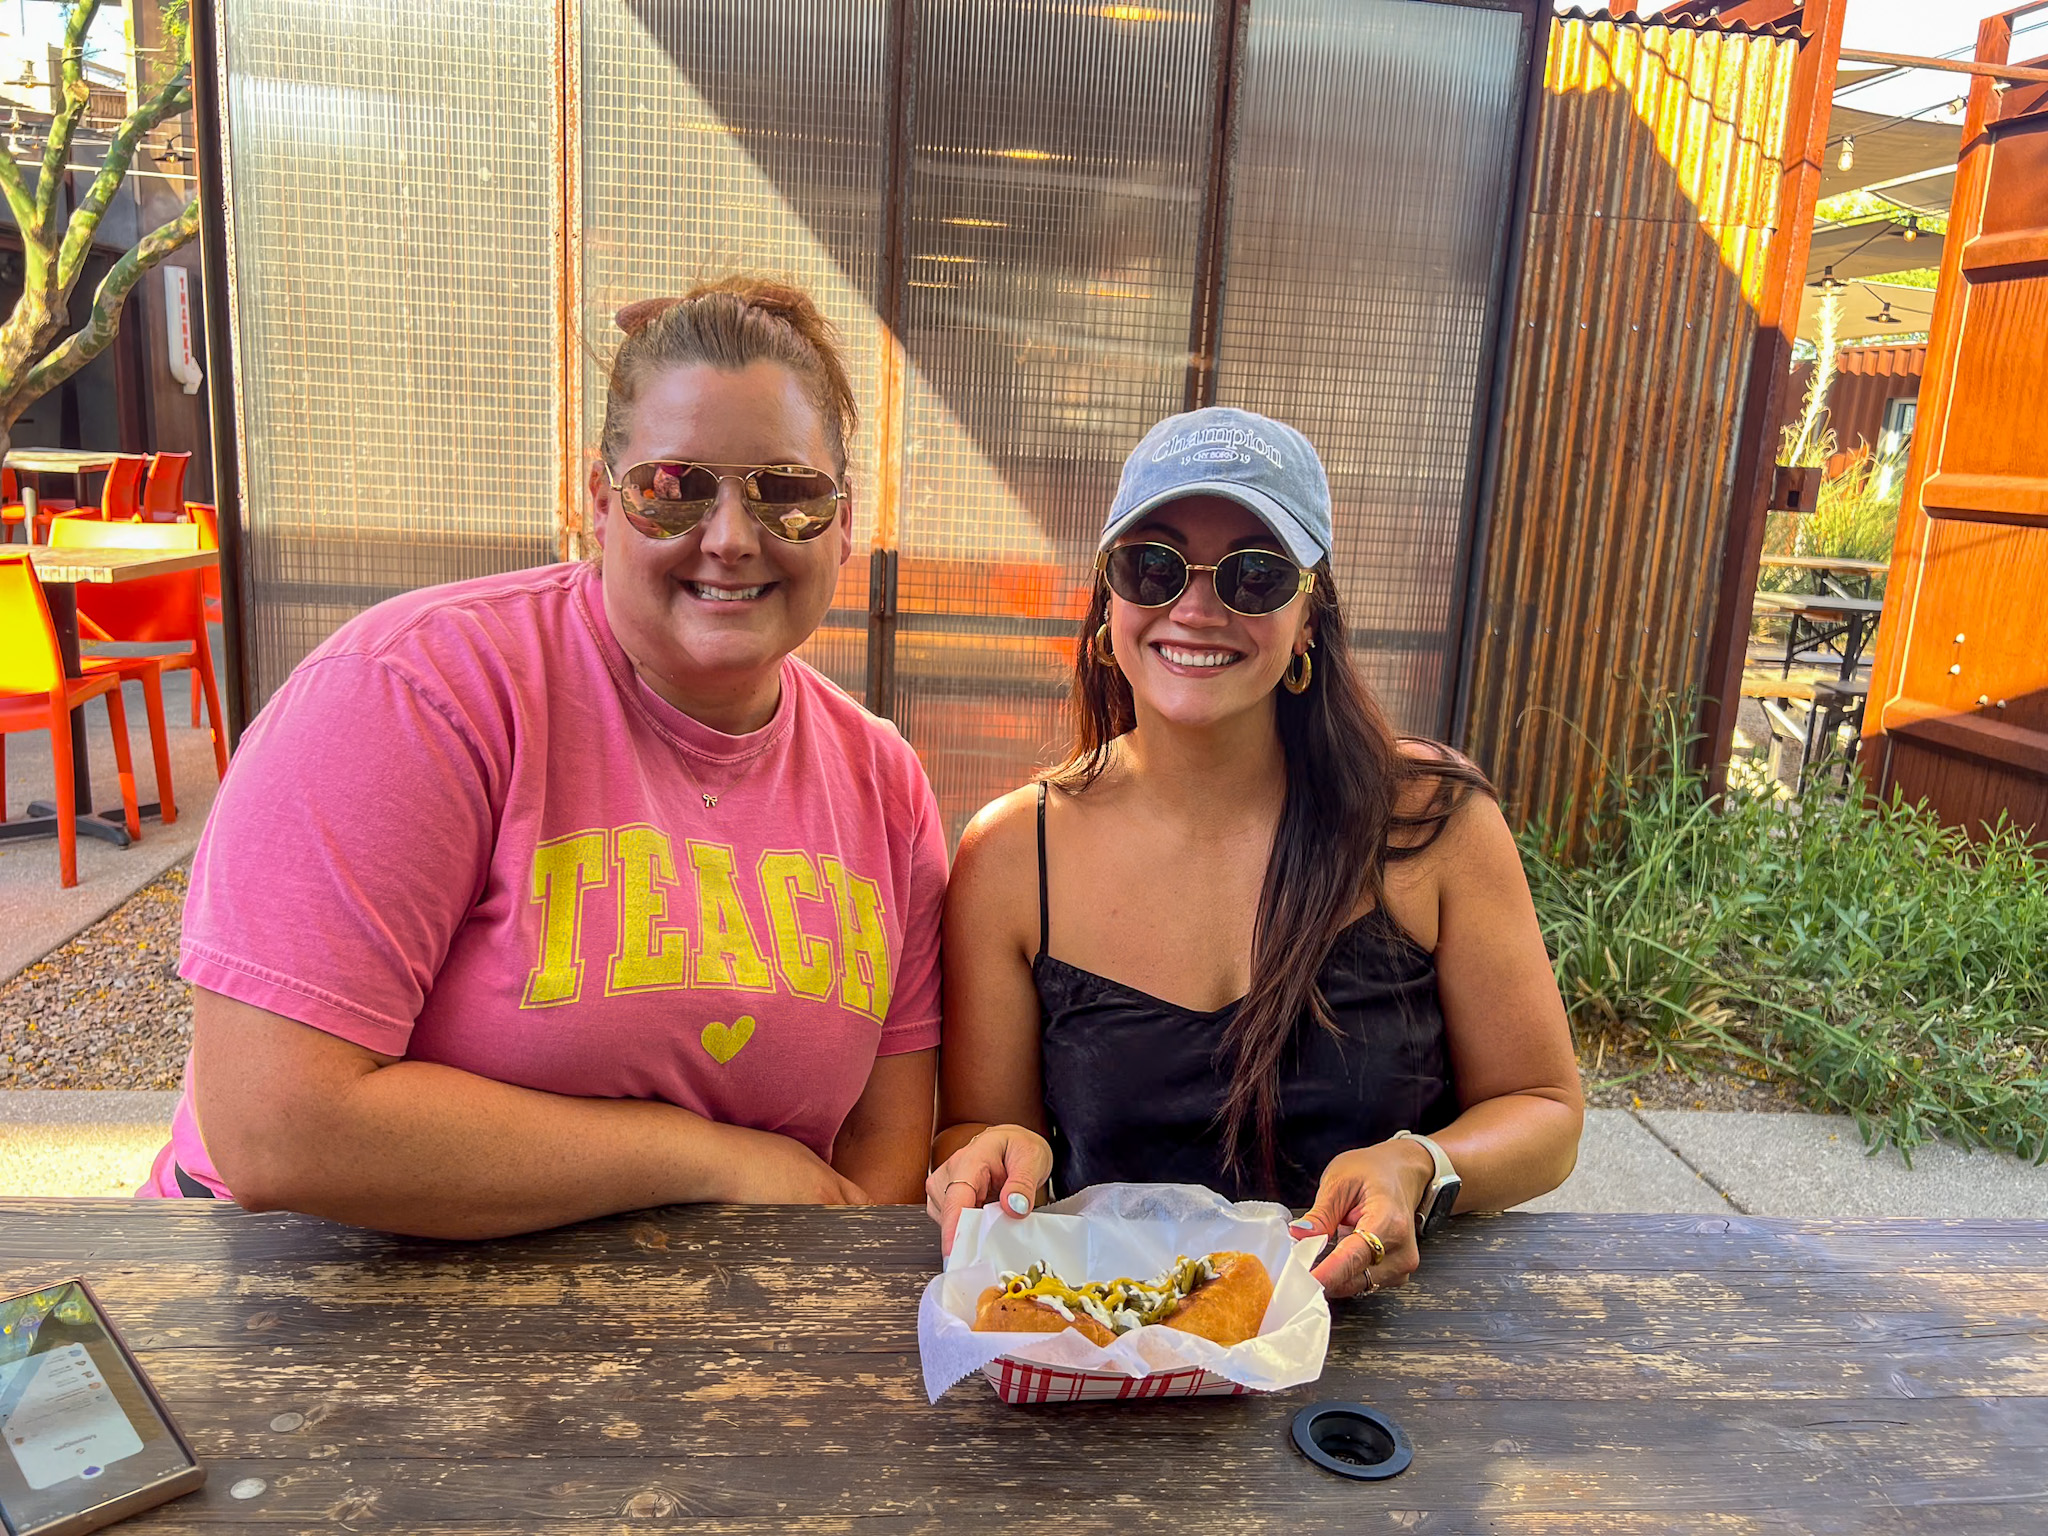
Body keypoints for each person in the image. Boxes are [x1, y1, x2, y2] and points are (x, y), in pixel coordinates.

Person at [142, 279, 945, 1237]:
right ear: (600, 504)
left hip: (690, 1332)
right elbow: (275, 1125)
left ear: (845, 522)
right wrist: (712, 1160)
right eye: (671, 490)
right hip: (310, 1294)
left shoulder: (882, 782)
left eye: (789, 495)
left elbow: (879, 1160)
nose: (730, 538)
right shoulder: (418, 691)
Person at [926, 407, 1581, 1297]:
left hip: (1389, 1358)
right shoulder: (1012, 853)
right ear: (1107, 600)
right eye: (1151, 566)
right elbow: (977, 1128)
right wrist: (1000, 1156)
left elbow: (1545, 1111)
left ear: (1311, 615)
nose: (1196, 608)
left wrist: (1422, 1164)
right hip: (1119, 1360)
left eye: (1256, 575)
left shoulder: (1429, 820)